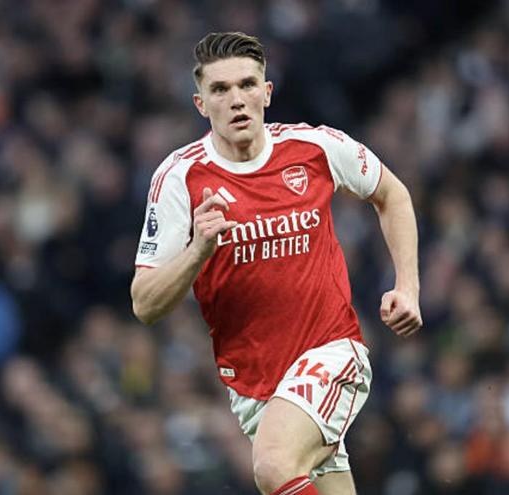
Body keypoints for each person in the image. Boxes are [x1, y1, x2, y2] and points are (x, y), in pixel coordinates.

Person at [131, 32, 422, 495]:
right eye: (220, 89)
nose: (236, 99)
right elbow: (145, 304)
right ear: (200, 104)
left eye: (247, 85)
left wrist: (407, 286)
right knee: (289, 475)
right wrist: (197, 251)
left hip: (331, 352)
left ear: (266, 93)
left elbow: (393, 195)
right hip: (253, 385)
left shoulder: (315, 147)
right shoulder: (179, 178)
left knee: (272, 465)